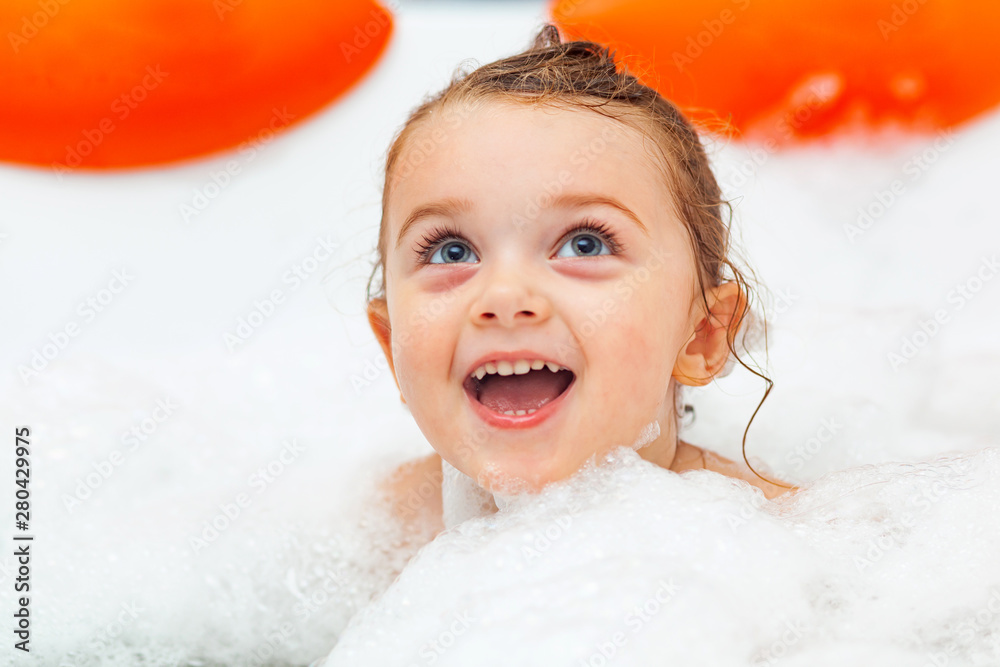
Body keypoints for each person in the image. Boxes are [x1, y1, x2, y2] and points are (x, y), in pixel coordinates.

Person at [364, 22, 798, 539]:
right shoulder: (382, 528)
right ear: (394, 347)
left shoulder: (776, 540)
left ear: (703, 336)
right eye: (451, 250)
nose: (504, 297)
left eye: (584, 243)